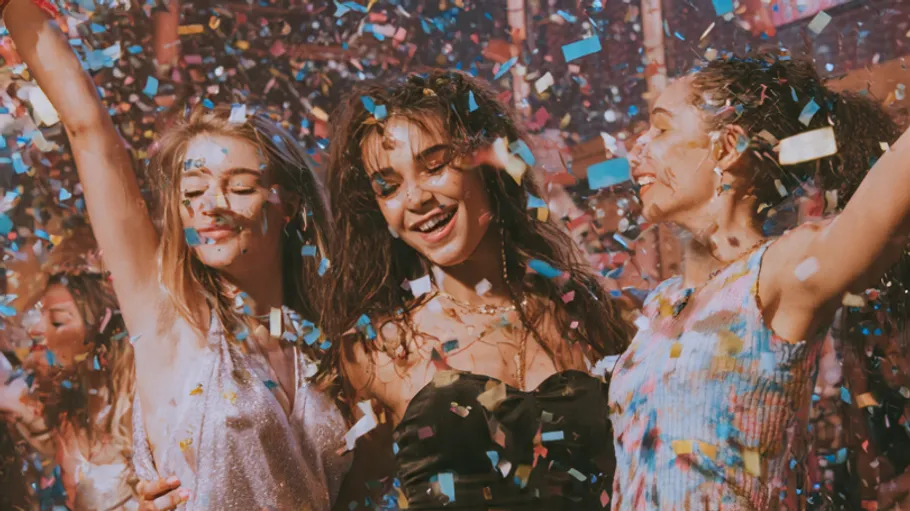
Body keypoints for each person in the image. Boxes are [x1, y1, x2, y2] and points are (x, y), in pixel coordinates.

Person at [2, 1, 351, 509]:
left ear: (290, 202)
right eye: (193, 190)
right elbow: (90, 132)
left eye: (239, 186)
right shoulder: (169, 316)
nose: (212, 206)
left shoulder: (325, 340)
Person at [320, 69, 634, 510]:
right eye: (388, 186)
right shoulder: (376, 355)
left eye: (434, 165)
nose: (415, 199)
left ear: (488, 162)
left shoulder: (583, 312)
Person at [608, 52, 910, 510]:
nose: (637, 151)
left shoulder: (780, 274)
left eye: (662, 129)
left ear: (727, 146)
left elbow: (888, 193)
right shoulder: (660, 304)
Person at [0, 230, 138, 510]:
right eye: (40, 315)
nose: (36, 329)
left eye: (58, 321)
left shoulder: (142, 409)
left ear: (101, 330)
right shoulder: (65, 411)